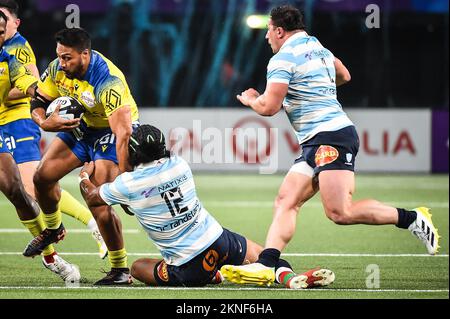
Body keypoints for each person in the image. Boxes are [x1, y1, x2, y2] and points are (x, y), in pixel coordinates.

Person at [222, 5, 440, 286]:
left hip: (331, 137)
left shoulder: (283, 58)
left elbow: (269, 107)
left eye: (268, 31)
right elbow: (345, 76)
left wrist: (252, 99)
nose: (266, 38)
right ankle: (266, 264)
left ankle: (412, 218)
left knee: (340, 212)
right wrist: (317, 88)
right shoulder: (317, 47)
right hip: (319, 140)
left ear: (279, 30)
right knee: (286, 200)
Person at [77, 124, 335, 288]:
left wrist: (85, 176)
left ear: (134, 155)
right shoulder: (179, 164)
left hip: (188, 266)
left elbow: (93, 197)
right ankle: (288, 279)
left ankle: (215, 275)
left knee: (137, 267)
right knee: (267, 257)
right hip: (219, 240)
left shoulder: (128, 184)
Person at [23, 28, 140, 285]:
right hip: (84, 126)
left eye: (68, 58)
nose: (61, 64)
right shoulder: (57, 69)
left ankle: (120, 270)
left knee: (97, 199)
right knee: (41, 178)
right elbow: (38, 101)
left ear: (85, 54)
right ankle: (53, 230)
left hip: (112, 132)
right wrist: (44, 122)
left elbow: (123, 133)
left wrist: (127, 180)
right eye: (60, 57)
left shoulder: (108, 81)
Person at [0, 0, 107, 266]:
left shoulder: (18, 48)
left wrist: (6, 93)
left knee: (31, 184)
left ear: (15, 22)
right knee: (14, 190)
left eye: (5, 21)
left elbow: (30, 84)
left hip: (17, 119)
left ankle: (90, 222)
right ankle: (52, 256)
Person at [0, 10, 81, 283]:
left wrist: (36, 92)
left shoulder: (15, 48)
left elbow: (22, 78)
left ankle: (51, 252)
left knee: (18, 190)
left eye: (3, 28)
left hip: (13, 120)